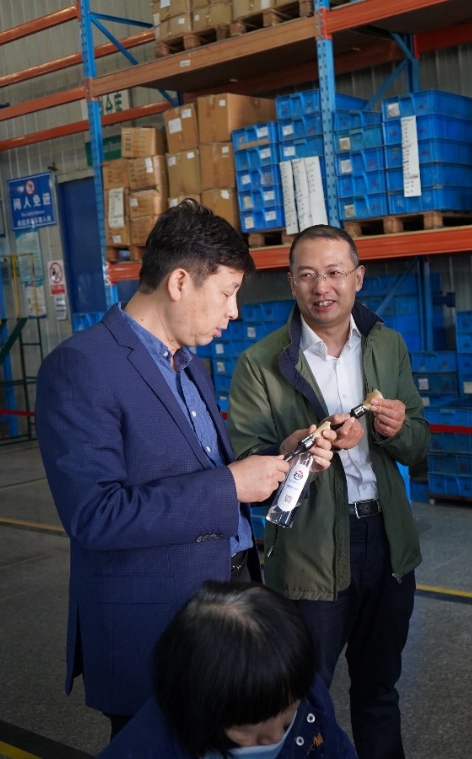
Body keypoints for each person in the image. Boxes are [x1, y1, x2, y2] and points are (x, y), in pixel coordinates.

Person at [36, 200, 335, 737]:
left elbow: (205, 471)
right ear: (179, 282)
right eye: (226, 292)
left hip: (228, 609)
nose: (234, 311)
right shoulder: (81, 367)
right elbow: (95, 515)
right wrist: (230, 484)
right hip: (156, 625)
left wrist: (281, 460)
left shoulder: (189, 364)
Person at [227, 223, 427, 759]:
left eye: (335, 272)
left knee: (380, 690)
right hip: (310, 554)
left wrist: (395, 429)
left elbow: (419, 445)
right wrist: (293, 450)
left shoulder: (388, 345)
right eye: (308, 275)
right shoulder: (260, 363)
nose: (323, 287)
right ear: (290, 282)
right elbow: (247, 470)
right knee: (302, 699)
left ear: (358, 278)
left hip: (387, 544)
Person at [98, 581, 356, 759]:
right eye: (246, 732)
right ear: (194, 711)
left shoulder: (303, 690)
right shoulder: (148, 749)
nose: (275, 738)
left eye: (288, 720)